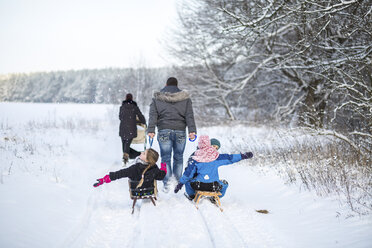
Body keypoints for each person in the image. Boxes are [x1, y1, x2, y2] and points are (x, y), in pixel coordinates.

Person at [147, 77, 197, 190]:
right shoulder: (185, 99)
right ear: (177, 85)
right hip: (180, 131)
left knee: (165, 158)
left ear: (166, 84)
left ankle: (167, 182)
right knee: (179, 157)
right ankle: (178, 181)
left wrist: (151, 130)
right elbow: (189, 115)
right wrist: (192, 131)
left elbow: (153, 115)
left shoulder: (157, 98)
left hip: (164, 130)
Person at [174, 135, 253, 200]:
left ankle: (191, 195)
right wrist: (243, 156)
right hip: (213, 186)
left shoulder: (196, 157)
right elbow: (230, 158)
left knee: (187, 181)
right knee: (225, 184)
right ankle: (216, 197)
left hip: (199, 185)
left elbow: (188, 174)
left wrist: (180, 184)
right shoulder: (216, 156)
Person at [93, 148, 167, 189]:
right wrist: (163, 167)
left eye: (144, 153)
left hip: (136, 190)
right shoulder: (154, 168)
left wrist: (105, 179)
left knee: (128, 174)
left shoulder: (136, 168)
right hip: (148, 189)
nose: (141, 152)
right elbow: (161, 176)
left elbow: (121, 173)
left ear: (147, 160)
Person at [119, 93, 146, 165]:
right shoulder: (135, 107)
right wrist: (143, 122)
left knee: (125, 145)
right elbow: (140, 116)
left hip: (123, 129)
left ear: (125, 98)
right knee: (126, 145)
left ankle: (126, 158)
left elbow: (120, 117)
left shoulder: (122, 107)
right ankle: (139, 154)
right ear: (132, 99)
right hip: (131, 129)